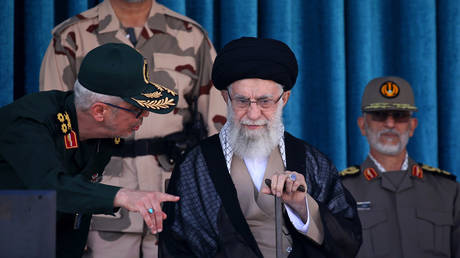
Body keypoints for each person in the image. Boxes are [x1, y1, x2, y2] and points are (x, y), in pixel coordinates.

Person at [39, 0, 227, 257]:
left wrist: (209, 204)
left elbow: (217, 127)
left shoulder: (191, 35)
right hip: (100, 201)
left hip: (172, 200)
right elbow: (57, 132)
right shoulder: (72, 36)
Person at [159, 37, 362, 258]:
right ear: (226, 97)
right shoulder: (194, 166)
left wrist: (303, 207)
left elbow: (348, 241)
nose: (253, 114)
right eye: (242, 101)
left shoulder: (313, 162)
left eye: (265, 101)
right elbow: (175, 246)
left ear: (284, 98)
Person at [0, 43, 180, 258]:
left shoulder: (103, 133)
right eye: (137, 110)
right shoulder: (28, 124)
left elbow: (75, 200)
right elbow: (48, 187)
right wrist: (121, 196)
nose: (145, 116)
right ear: (100, 110)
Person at [340, 76, 460, 258]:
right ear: (363, 125)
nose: (390, 124)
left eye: (400, 116)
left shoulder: (448, 191)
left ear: (412, 126)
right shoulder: (341, 191)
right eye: (379, 115)